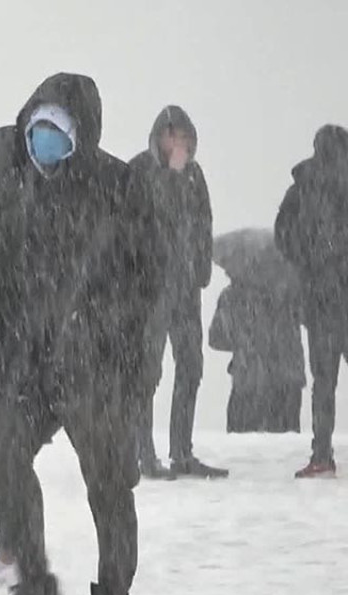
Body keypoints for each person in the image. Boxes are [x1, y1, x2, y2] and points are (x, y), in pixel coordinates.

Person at [0, 73, 164, 595]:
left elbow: (147, 278)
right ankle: (35, 578)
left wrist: (113, 342)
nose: (39, 141)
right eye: (33, 130)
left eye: (52, 130)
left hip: (94, 363)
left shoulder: (119, 187)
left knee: (106, 480)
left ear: (80, 134)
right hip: (33, 362)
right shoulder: (21, 190)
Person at [129, 106, 228, 479]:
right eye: (172, 135)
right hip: (150, 290)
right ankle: (144, 455)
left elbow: (204, 220)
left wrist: (201, 267)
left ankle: (181, 451)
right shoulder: (139, 170)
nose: (178, 143)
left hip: (185, 288)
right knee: (147, 372)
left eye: (183, 136)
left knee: (191, 366)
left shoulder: (194, 175)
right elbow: (129, 227)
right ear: (159, 137)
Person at [276, 124, 348, 478]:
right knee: (323, 379)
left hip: (320, 300)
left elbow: (282, 235)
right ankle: (321, 454)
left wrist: (308, 259)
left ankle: (322, 455)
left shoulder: (302, 187)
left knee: (323, 380)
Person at [209, 278, 305, 433]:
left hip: (249, 382)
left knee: (243, 447)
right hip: (283, 382)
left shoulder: (232, 294)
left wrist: (242, 343)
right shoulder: (291, 292)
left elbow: (216, 338)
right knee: (284, 447)